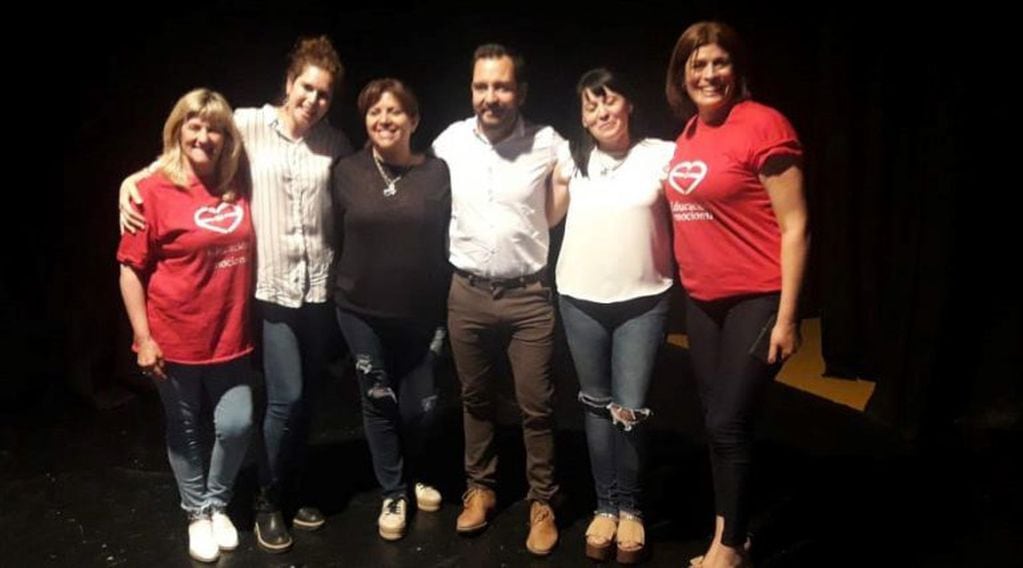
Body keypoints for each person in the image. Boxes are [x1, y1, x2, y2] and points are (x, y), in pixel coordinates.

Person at [119, 36, 353, 553]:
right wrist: (130, 182)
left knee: (303, 401)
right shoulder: (246, 125)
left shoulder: (334, 143)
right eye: (306, 88)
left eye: (323, 95)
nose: (313, 100)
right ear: (288, 84)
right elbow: (188, 140)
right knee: (283, 400)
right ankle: (264, 499)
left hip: (317, 290)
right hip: (270, 290)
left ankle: (287, 490)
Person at [663, 21, 809, 568]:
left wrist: (788, 317)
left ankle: (729, 547)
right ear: (682, 75)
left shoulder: (764, 125)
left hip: (758, 297)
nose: (708, 74)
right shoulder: (688, 136)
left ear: (737, 69)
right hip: (703, 301)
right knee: (719, 422)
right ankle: (731, 534)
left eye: (718, 62)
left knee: (727, 422)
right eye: (696, 65)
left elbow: (795, 225)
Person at [431, 43, 569, 556]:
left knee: (537, 406)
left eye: (502, 86)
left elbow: (561, 207)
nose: (491, 96)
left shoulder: (549, 143)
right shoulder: (449, 142)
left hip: (529, 298)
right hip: (466, 292)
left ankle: (543, 503)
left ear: (521, 92)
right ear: (472, 90)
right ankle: (481, 488)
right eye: (482, 86)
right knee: (475, 400)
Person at [117, 88, 254, 563]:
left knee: (236, 426)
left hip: (231, 336)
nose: (204, 136)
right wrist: (143, 338)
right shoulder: (149, 193)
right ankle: (197, 512)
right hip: (173, 339)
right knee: (186, 428)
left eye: (214, 127)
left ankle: (217, 503)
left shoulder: (239, 182)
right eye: (194, 126)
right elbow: (130, 269)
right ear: (177, 131)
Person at [547, 68, 674, 564]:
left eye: (609, 101)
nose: (601, 112)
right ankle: (605, 506)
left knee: (631, 409)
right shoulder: (572, 160)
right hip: (579, 299)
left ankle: (632, 509)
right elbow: (547, 216)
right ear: (581, 116)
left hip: (644, 301)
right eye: (590, 106)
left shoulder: (661, 155)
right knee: (596, 406)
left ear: (630, 104)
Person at [330, 78, 451, 541]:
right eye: (375, 112)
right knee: (379, 400)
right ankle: (394, 490)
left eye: (395, 111)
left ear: (414, 120)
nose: (384, 120)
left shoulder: (439, 172)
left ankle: (416, 470)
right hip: (360, 310)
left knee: (421, 404)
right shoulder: (345, 170)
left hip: (424, 312)